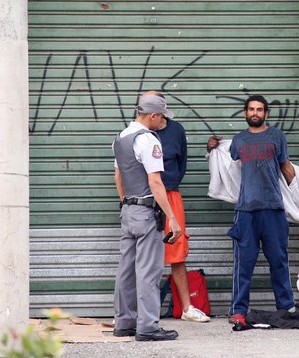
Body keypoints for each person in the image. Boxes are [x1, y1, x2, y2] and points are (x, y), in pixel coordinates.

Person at [206, 95, 296, 326]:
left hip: (273, 208)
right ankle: (238, 310)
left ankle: (286, 307)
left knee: (279, 261)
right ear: (246, 113)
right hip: (246, 210)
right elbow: (226, 160)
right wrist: (212, 148)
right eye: (251, 109)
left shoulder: (277, 136)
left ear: (266, 113)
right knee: (243, 264)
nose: (255, 113)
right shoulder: (239, 140)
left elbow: (286, 167)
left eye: (259, 110)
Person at [112, 93, 182, 341]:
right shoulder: (148, 141)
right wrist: (171, 217)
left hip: (128, 210)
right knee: (148, 272)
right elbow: (155, 182)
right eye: (161, 117)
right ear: (152, 115)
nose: (162, 122)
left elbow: (118, 178)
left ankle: (124, 323)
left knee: (126, 270)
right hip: (146, 212)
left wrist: (125, 204)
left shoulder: (120, 138)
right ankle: (148, 327)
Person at [142, 91, 210, 323]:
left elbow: (182, 165)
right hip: (145, 196)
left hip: (170, 194)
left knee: (177, 250)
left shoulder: (176, 130)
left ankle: (187, 308)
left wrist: (169, 185)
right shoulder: (140, 130)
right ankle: (142, 310)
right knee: (144, 254)